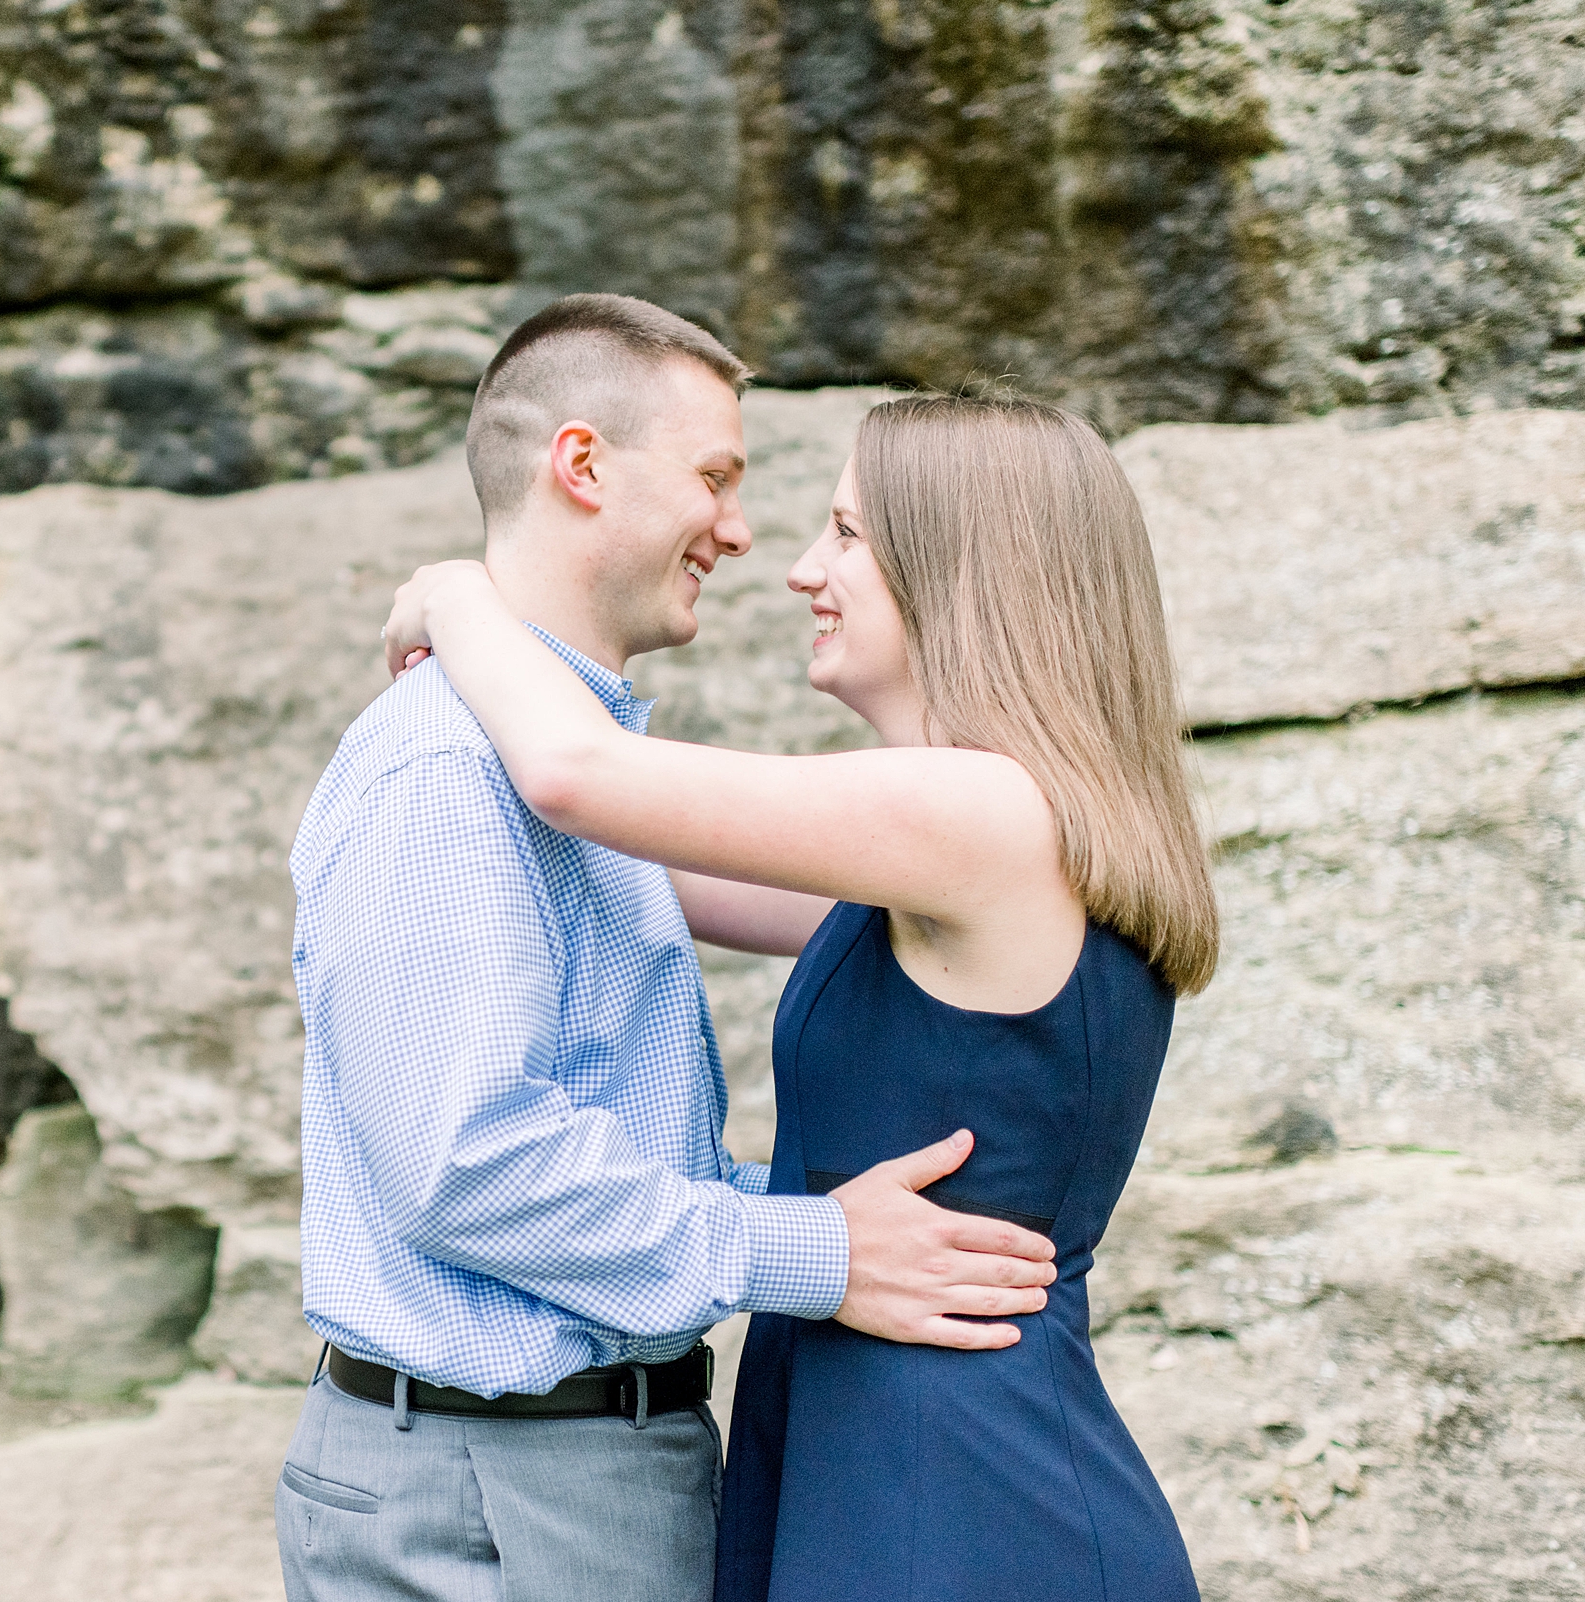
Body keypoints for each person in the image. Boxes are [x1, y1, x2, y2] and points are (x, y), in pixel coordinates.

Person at [279, 295, 1064, 1602]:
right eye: (717, 477)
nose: (750, 536)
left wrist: (806, 1224)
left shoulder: (585, 781)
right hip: (500, 1480)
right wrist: (809, 1246)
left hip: (568, 1467)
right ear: (582, 465)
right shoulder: (455, 768)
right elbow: (468, 1162)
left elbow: (603, 1129)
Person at [380, 385, 1217, 1601]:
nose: (801, 570)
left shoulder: (979, 814)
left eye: (849, 534)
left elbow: (573, 775)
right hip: (883, 1444)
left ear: (958, 569)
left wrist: (457, 593)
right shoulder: (957, 850)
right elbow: (632, 870)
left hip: (948, 1489)